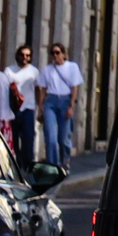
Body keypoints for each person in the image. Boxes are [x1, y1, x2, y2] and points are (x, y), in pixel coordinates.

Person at [41, 41, 83, 171]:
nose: (55, 56)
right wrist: (41, 107)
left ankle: (65, 161)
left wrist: (71, 105)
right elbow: (42, 88)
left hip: (65, 100)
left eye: (57, 52)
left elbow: (74, 87)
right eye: (52, 53)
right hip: (50, 101)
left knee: (64, 138)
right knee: (51, 136)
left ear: (64, 54)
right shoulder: (47, 69)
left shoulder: (72, 67)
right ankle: (52, 165)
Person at [9, 45, 39, 170]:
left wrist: (39, 106)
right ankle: (17, 163)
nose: (24, 58)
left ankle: (28, 164)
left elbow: (38, 89)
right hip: (14, 109)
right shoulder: (9, 71)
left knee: (28, 138)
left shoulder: (34, 71)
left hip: (28, 108)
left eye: (27, 55)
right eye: (22, 55)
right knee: (14, 137)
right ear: (17, 56)